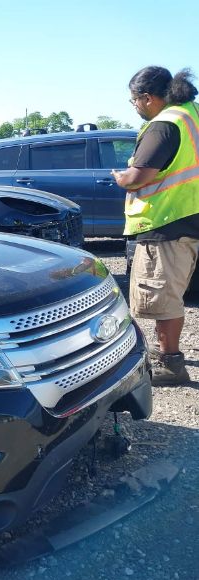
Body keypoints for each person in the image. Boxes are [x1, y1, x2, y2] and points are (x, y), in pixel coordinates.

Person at [113, 66, 199, 386]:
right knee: (171, 294)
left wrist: (120, 178)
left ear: (148, 98)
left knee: (162, 299)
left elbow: (137, 178)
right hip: (188, 218)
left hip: (166, 223)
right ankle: (169, 355)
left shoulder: (164, 125)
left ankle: (170, 364)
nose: (135, 107)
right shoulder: (191, 114)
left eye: (134, 101)